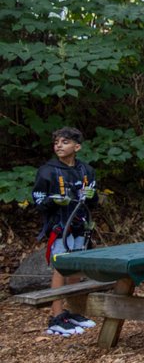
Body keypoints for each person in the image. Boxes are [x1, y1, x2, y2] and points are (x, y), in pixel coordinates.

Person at [31, 127, 98, 337]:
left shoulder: (86, 170)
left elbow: (93, 202)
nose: (59, 146)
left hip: (80, 224)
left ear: (77, 147)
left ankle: (74, 311)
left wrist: (91, 195)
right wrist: (54, 200)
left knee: (76, 266)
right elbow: (39, 201)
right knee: (61, 267)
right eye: (56, 142)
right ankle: (56, 315)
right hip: (59, 226)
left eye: (65, 142)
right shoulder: (47, 171)